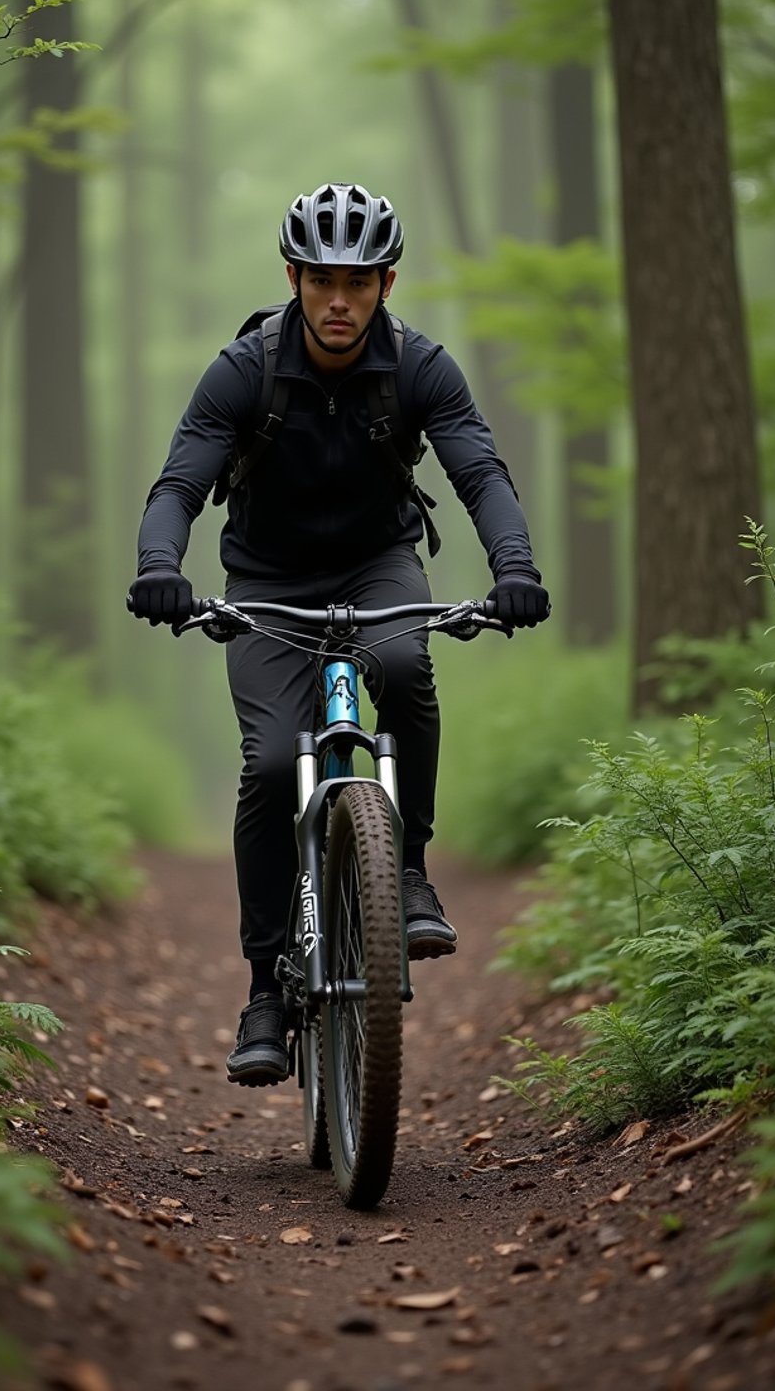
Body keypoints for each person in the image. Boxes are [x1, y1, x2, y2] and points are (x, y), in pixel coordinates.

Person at [129, 182, 548, 1087]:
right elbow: (179, 485)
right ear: (293, 275)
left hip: (378, 569)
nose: (338, 300)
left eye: (358, 281)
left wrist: (514, 567)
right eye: (321, 278)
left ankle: (410, 869)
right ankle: (264, 993)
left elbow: (480, 471)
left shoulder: (421, 366)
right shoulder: (245, 368)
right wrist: (161, 566)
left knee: (403, 660)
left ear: (387, 283)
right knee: (276, 762)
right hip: (268, 585)